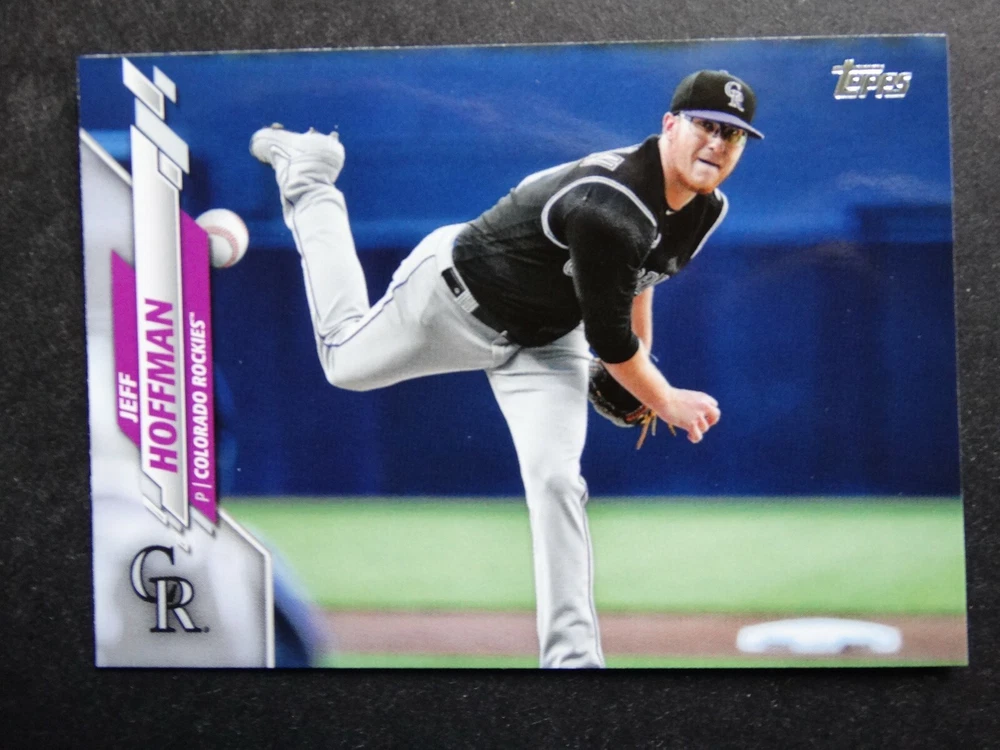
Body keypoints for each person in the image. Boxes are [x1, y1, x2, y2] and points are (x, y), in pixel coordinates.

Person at [250, 69, 763, 668]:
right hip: (452, 301)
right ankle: (311, 179)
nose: (718, 143)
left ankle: (573, 664)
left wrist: (643, 357)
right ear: (670, 125)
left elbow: (642, 275)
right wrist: (663, 396)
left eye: (733, 134)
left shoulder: (706, 207)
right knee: (343, 362)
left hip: (548, 341)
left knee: (556, 480)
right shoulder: (609, 203)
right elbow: (610, 339)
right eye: (706, 125)